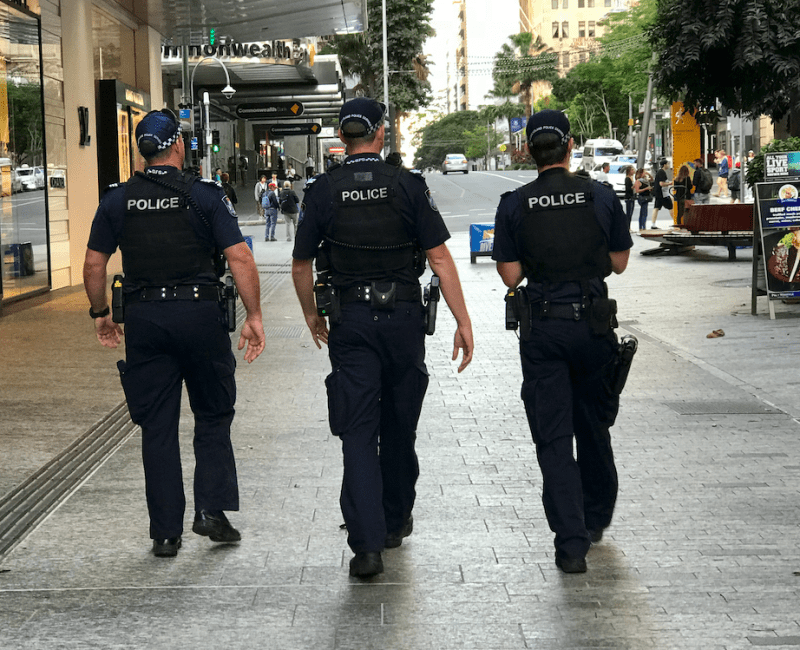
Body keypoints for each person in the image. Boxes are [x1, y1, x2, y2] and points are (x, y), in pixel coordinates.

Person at [291, 97, 474, 579]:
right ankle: (394, 521)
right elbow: (439, 259)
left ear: (342, 136)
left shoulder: (322, 190)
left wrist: (311, 313)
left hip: (349, 320)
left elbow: (302, 264)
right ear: (380, 134)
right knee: (399, 426)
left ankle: (367, 547)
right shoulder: (408, 186)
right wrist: (463, 320)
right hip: (403, 321)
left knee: (356, 430)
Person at [82, 108, 266, 558]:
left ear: (142, 153)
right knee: (213, 413)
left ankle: (165, 533)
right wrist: (254, 315)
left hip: (145, 322)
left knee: (157, 426)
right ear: (178, 146)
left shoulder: (117, 200)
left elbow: (93, 264)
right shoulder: (204, 195)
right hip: (201, 317)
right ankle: (211, 511)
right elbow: (239, 257)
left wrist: (101, 313)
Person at [491, 109, 632, 574]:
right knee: (594, 426)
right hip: (592, 327)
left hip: (545, 329)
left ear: (529, 150)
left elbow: (511, 274)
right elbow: (619, 263)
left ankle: (571, 545)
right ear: (570, 146)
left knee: (553, 436)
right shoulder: (600, 195)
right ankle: (595, 519)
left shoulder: (514, 204)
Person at [650, 159, 672, 229]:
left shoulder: (660, 172)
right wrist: (670, 183)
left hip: (658, 193)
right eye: (667, 164)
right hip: (663, 194)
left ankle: (653, 224)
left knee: (656, 208)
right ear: (664, 165)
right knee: (671, 207)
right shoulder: (662, 172)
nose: (668, 165)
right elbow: (661, 184)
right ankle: (676, 222)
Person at [633, 167, 652, 232]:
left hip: (646, 197)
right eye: (644, 172)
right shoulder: (638, 181)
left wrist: (648, 174)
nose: (645, 173)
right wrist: (646, 189)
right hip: (642, 197)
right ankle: (642, 227)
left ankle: (643, 226)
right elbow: (637, 190)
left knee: (644, 212)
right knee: (643, 213)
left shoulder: (645, 180)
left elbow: (652, 179)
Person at [623, 166, 636, 231]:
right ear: (629, 171)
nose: (633, 171)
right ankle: (627, 227)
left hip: (632, 197)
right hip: (629, 197)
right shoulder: (628, 179)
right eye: (632, 170)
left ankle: (629, 227)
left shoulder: (632, 178)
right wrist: (633, 186)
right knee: (629, 213)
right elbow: (628, 189)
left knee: (630, 213)